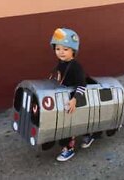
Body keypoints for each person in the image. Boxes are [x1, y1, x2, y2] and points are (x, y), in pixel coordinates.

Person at [49, 28, 95, 161]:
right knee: (76, 121)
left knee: (68, 125)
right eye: (58, 49)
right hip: (65, 96)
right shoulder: (61, 63)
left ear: (73, 51)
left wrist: (74, 100)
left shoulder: (76, 66)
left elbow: (82, 85)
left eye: (65, 49)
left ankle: (68, 149)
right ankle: (87, 134)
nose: (61, 52)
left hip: (75, 98)